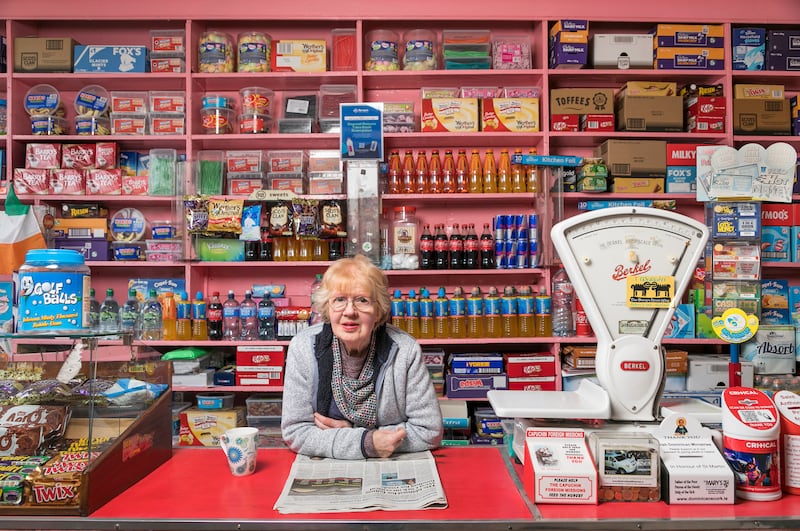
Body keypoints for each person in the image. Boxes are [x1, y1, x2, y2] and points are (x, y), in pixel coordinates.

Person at [281, 254, 443, 459]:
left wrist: (354, 433)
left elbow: (429, 431)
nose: (350, 311)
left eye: (362, 300)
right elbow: (295, 432)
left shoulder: (405, 350)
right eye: (339, 300)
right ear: (327, 308)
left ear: (378, 311)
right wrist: (365, 442)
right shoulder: (304, 347)